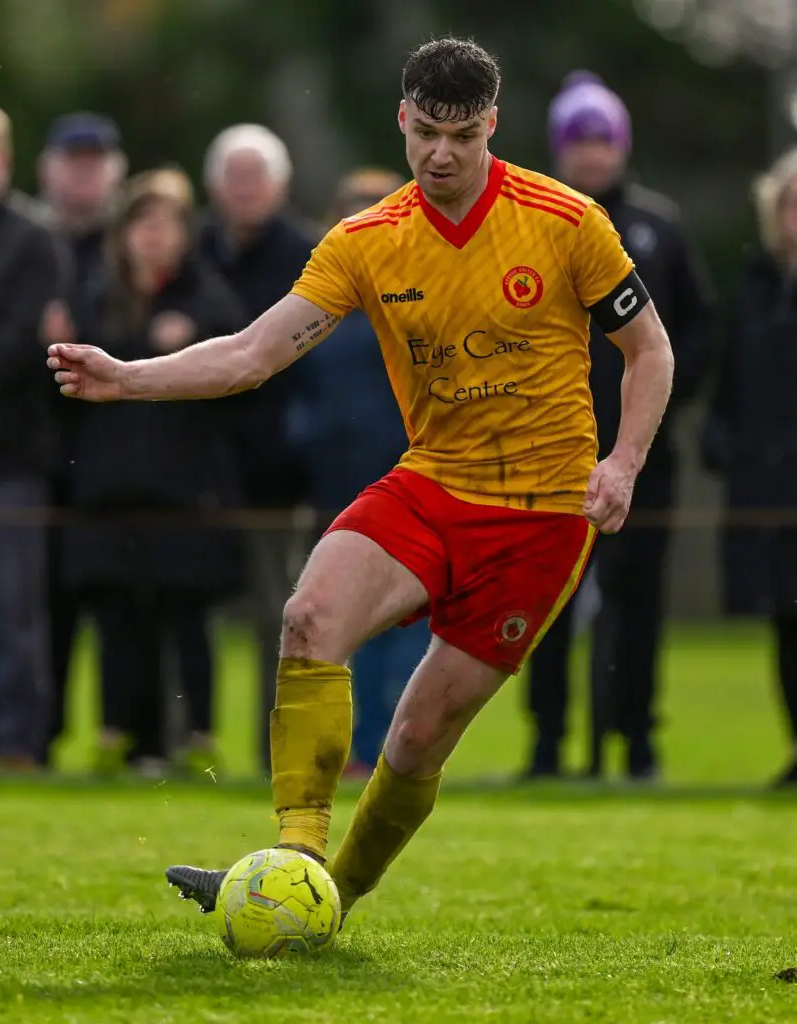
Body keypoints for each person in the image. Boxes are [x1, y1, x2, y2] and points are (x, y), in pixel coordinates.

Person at [47, 38, 674, 923]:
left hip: (541, 516)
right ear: (402, 121)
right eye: (425, 132)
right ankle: (293, 857)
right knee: (307, 619)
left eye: (461, 134)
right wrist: (127, 376)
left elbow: (648, 349)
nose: (441, 153)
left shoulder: (567, 220)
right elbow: (253, 352)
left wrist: (623, 462)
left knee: (416, 742)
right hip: (433, 481)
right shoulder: (367, 240)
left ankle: (333, 895)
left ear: (491, 125)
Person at [523, 72, 713, 781]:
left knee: (637, 610)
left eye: (601, 140)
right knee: (545, 604)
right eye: (577, 142)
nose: (590, 155)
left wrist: (655, 409)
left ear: (621, 145)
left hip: (640, 457)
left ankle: (635, 743)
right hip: (552, 454)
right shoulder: (537, 224)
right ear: (558, 149)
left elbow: (693, 333)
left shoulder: (658, 228)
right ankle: (546, 745)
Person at [61, 168, 245, 775]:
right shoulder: (92, 300)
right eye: (144, 223)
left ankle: (197, 740)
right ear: (125, 233)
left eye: (167, 224)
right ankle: (120, 739)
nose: (155, 237)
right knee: (118, 621)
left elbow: (241, 370)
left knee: (187, 618)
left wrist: (190, 338)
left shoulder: (210, 302)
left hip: (185, 490)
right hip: (109, 488)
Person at [294, 167, 431, 773]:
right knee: (337, 628)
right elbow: (293, 392)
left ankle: (389, 753)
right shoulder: (319, 310)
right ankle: (346, 753)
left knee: (405, 634)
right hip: (337, 489)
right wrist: (304, 445)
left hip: (411, 490)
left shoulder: (420, 304)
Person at [198, 124, 316, 775]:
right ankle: (187, 744)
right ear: (216, 186)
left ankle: (277, 754)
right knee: (193, 608)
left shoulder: (307, 254)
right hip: (203, 466)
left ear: (280, 185)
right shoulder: (197, 250)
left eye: (255, 176)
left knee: (283, 614)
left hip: (279, 470)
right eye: (233, 177)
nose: (244, 189)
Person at [702, 146, 797, 787]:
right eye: (790, 203)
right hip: (767, 490)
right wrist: (721, 439)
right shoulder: (755, 289)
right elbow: (729, 382)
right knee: (786, 625)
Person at [36, 111, 128, 762]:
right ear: (48, 169)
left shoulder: (132, 245)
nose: (84, 173)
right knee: (36, 610)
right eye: (73, 160)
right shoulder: (27, 242)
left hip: (114, 456)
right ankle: (34, 734)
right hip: (38, 453)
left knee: (122, 604)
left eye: (95, 161)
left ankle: (125, 737)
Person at [0, 99, 62, 769]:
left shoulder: (34, 239)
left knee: (16, 617)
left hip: (8, 461)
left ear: (4, 161)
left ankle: (16, 743)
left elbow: (15, 345)